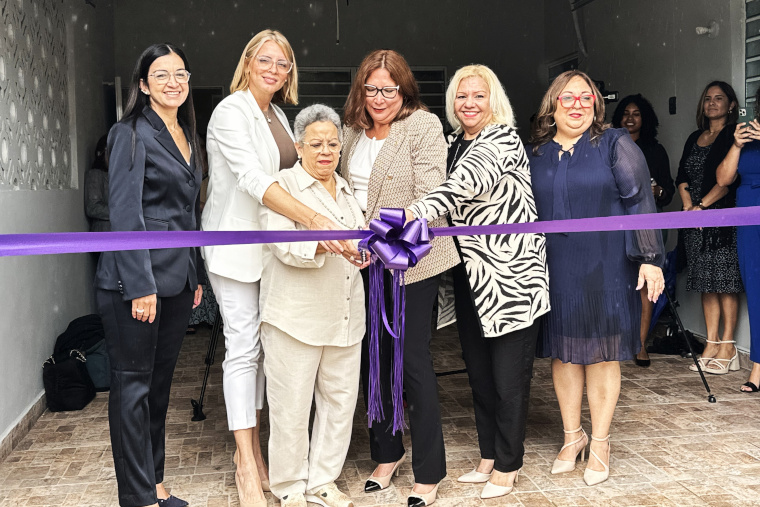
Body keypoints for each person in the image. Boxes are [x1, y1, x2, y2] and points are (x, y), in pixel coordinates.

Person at [201, 29, 352, 507]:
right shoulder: (230, 111)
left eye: (283, 63)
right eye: (265, 60)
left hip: (276, 249)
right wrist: (315, 221)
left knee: (269, 354)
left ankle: (266, 455)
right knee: (243, 348)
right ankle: (246, 460)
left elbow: (301, 173)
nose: (273, 69)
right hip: (236, 246)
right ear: (247, 62)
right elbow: (253, 179)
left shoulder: (280, 116)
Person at [406, 65, 550, 500]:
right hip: (469, 279)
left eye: (478, 96)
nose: (468, 103)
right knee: (481, 375)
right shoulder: (452, 143)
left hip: (510, 281)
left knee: (509, 378)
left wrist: (404, 218)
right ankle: (488, 455)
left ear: (494, 100)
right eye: (461, 96)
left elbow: (460, 188)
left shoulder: (502, 139)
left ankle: (508, 465)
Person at [528, 70, 664, 487]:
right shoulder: (535, 153)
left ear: (595, 104)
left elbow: (640, 199)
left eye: (584, 98)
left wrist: (650, 257)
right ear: (553, 104)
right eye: (567, 98)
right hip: (556, 263)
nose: (576, 105)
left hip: (605, 263)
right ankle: (573, 437)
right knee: (564, 350)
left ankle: (601, 442)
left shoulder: (614, 144)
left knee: (603, 351)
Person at [340, 49, 459, 507]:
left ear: (404, 89)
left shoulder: (423, 126)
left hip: (412, 262)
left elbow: (433, 195)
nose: (379, 98)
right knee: (375, 361)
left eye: (389, 89)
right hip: (362, 266)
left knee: (410, 363)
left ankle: (429, 471)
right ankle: (386, 454)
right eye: (371, 89)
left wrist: (383, 241)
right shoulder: (351, 131)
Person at [94, 43, 205, 507]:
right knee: (132, 387)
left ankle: (155, 483)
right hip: (134, 284)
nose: (173, 82)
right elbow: (124, 213)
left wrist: (194, 273)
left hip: (178, 280)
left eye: (180, 73)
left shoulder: (185, 134)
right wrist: (141, 286)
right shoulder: (131, 133)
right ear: (143, 85)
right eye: (161, 75)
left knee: (157, 389)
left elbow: (186, 213)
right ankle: (138, 498)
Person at [260, 104, 365, 507]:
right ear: (299, 146)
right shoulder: (279, 188)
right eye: (316, 144)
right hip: (294, 318)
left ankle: (323, 481)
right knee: (291, 408)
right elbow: (282, 245)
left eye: (333, 144)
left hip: (344, 314)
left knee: (340, 403)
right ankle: (289, 487)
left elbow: (358, 240)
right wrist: (329, 243)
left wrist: (366, 252)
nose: (326, 151)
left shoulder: (347, 189)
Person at [675, 81, 744, 375]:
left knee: (725, 281)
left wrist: (702, 206)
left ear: (731, 105)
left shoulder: (733, 135)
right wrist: (689, 206)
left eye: (719, 98)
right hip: (695, 220)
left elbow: (730, 180)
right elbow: (681, 175)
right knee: (705, 282)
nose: (712, 103)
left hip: (721, 218)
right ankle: (711, 343)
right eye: (707, 99)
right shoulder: (695, 136)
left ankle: (728, 346)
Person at [611, 94, 675, 367]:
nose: (630, 117)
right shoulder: (608, 146)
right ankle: (614, 341)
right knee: (616, 281)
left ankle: (640, 344)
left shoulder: (655, 150)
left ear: (644, 119)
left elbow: (668, 192)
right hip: (614, 224)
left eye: (636, 113)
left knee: (645, 285)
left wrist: (655, 191)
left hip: (647, 225)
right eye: (626, 112)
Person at [716, 97, 760, 392]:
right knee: (756, 288)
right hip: (748, 213)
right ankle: (758, 367)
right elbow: (723, 178)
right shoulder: (746, 134)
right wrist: (736, 145)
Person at [84, 134, 111, 232]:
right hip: (104, 232)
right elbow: (93, 207)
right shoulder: (95, 174)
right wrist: (120, 212)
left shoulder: (120, 176)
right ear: (101, 153)